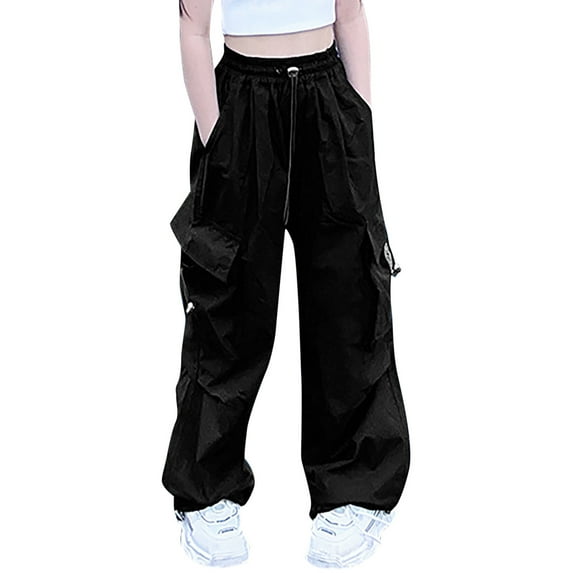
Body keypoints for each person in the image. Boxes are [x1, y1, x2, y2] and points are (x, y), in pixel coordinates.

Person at [162, 0, 410, 567]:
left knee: (349, 296)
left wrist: (357, 116)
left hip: (328, 96)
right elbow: (193, 28)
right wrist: (217, 136)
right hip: (242, 104)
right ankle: (208, 489)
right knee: (227, 297)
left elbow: (350, 15)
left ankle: (353, 486)